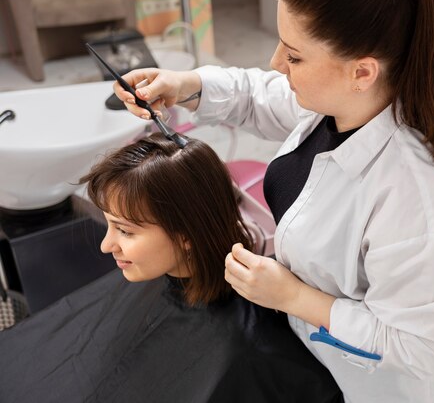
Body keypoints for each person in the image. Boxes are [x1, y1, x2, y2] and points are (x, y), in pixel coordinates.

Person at [113, 0, 434, 401]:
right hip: (301, 354)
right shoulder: (343, 102)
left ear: (362, 72)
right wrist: (186, 83)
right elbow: (259, 96)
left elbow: (416, 348)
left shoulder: (420, 201)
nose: (276, 63)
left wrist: (294, 297)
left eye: (293, 55)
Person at [0, 134, 343, 403]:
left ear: (186, 235)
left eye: (126, 230)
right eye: (110, 226)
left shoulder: (248, 351)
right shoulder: (157, 276)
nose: (107, 245)